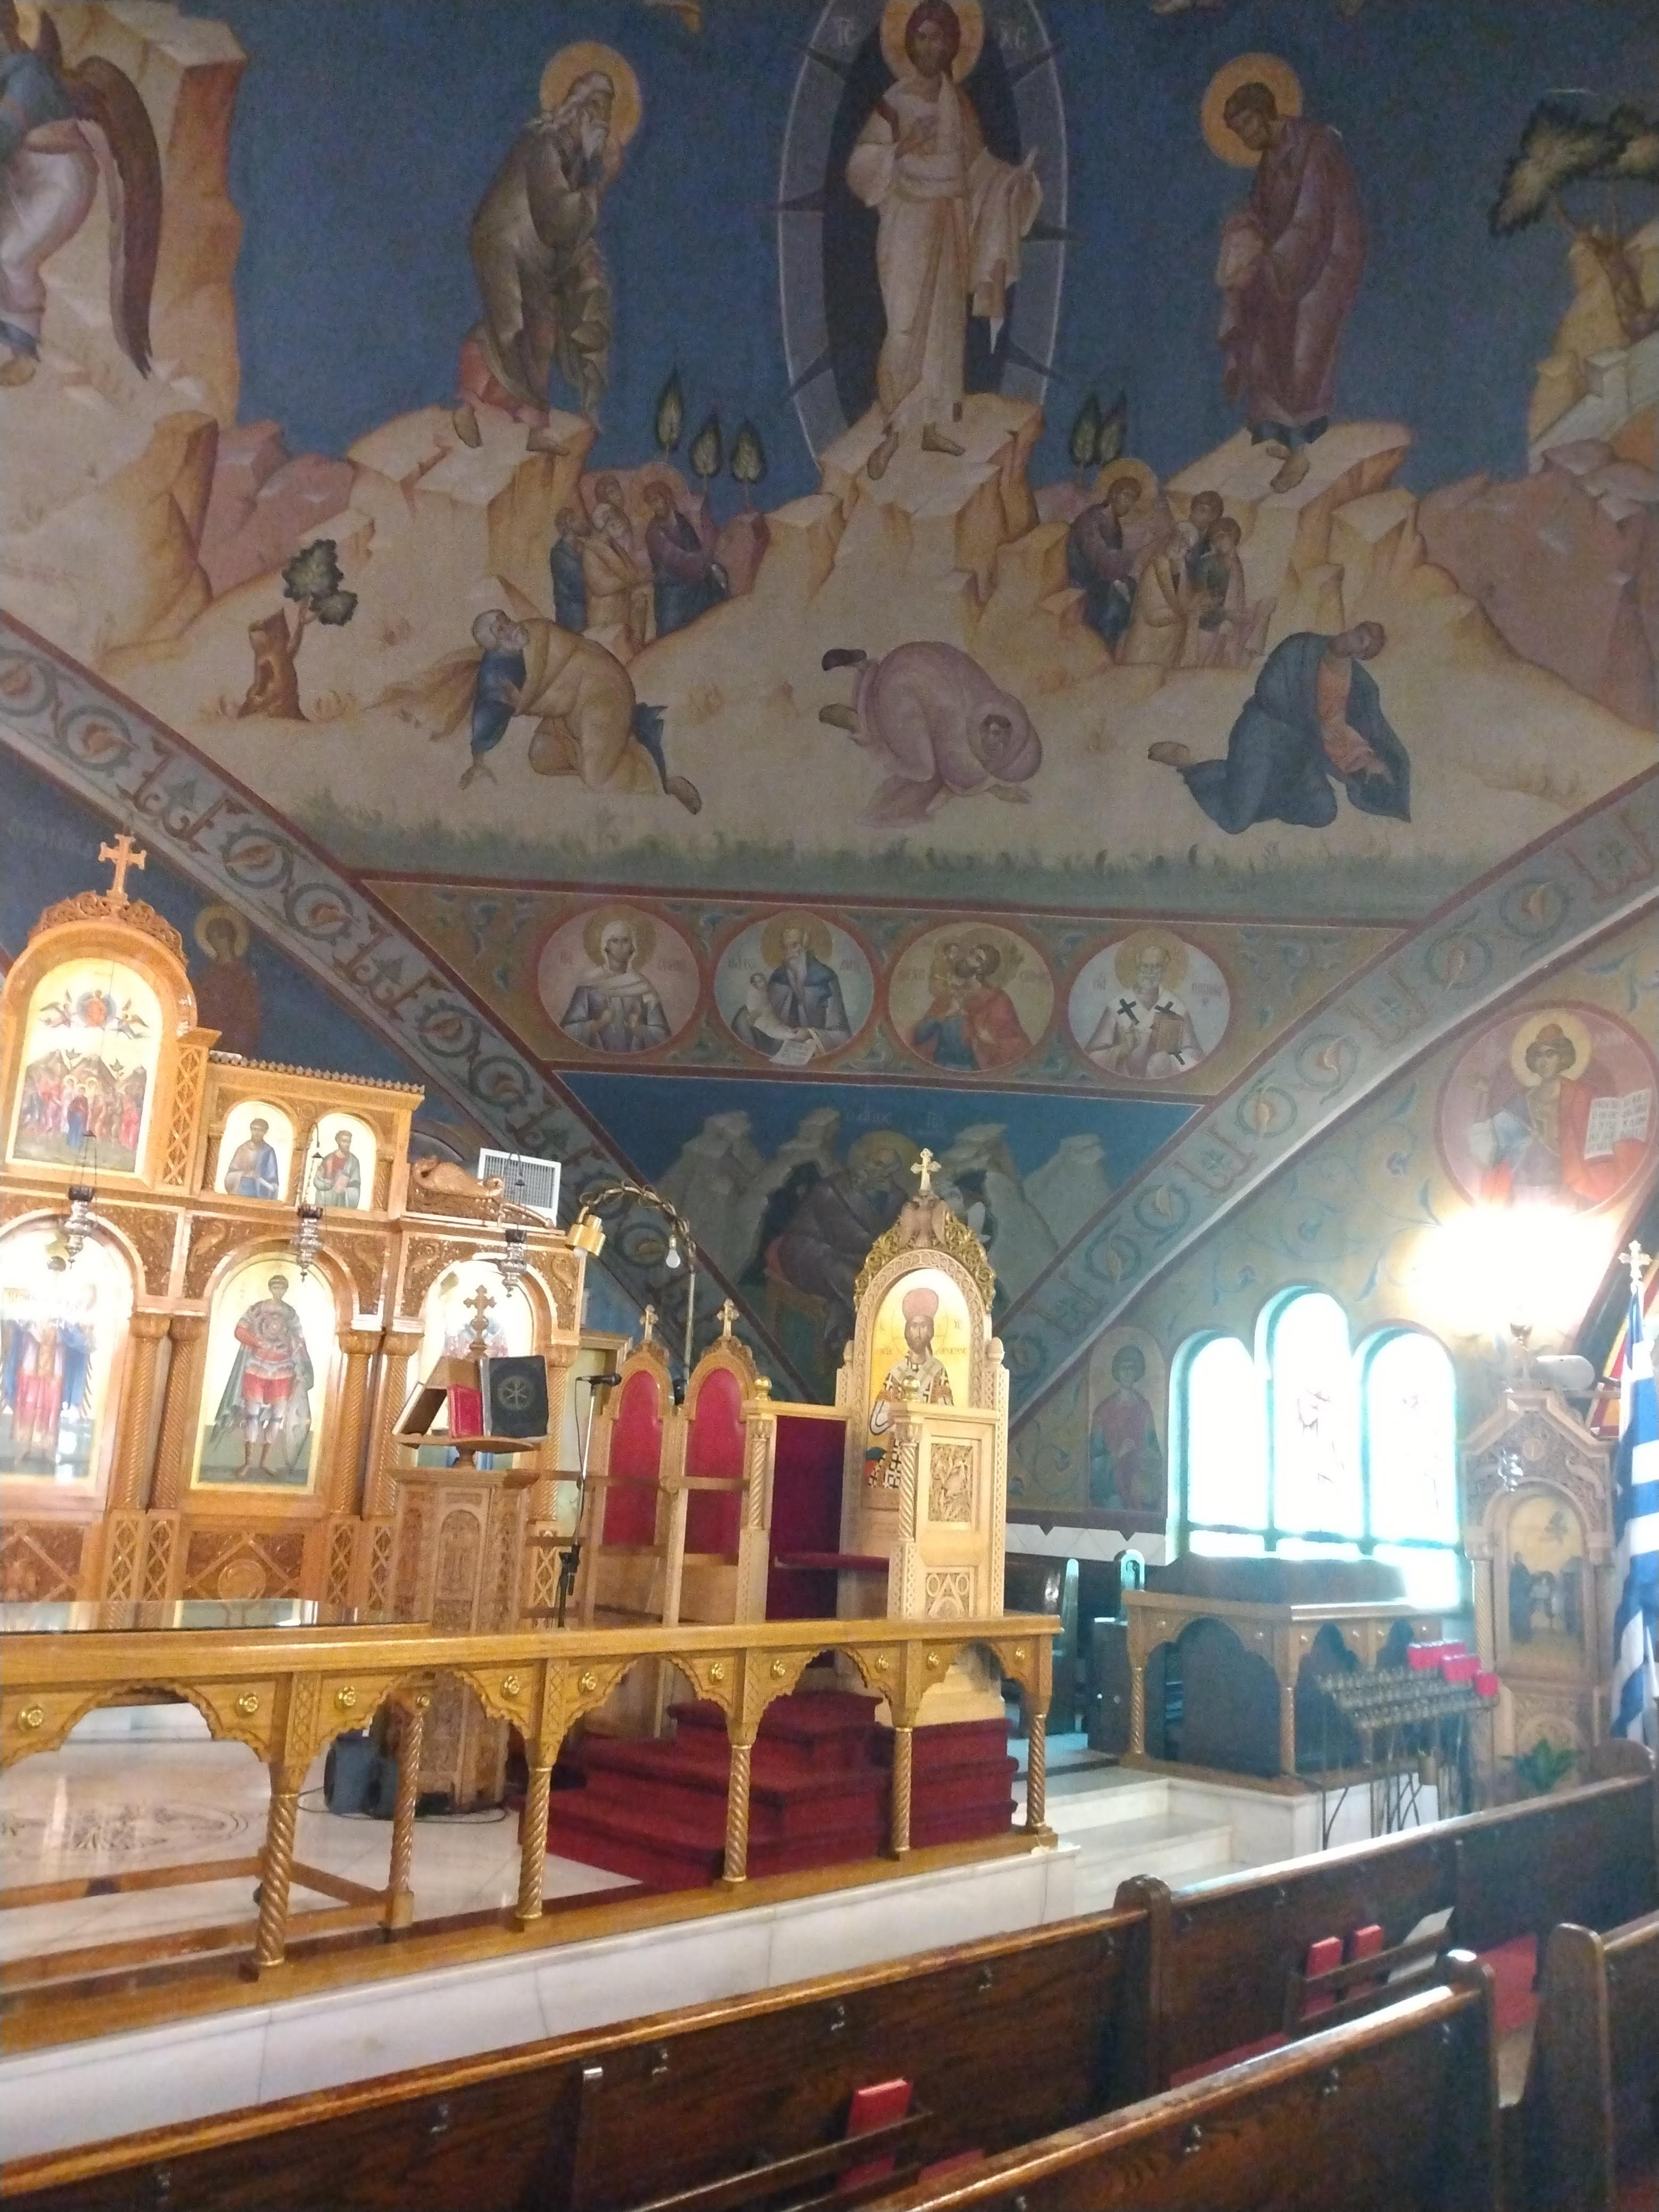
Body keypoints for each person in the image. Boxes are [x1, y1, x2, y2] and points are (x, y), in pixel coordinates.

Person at [845, 0, 1041, 477]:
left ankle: (932, 425)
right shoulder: (895, 102)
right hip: (907, 224)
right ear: (909, 44)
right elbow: (860, 167)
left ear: (954, 45)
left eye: (939, 37)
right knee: (905, 325)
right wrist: (899, 150)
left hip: (950, 222)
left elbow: (977, 167)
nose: (931, 46)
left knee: (944, 327)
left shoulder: (960, 102)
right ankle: (895, 431)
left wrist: (1011, 184)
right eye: (923, 37)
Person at [1215, 80, 1365, 493]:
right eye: (1237, 132)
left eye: (1247, 125)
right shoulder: (1268, 161)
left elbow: (1311, 220)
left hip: (1324, 267)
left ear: (1266, 113)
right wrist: (1243, 233)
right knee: (1265, 339)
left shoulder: (1315, 146)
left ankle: (1302, 452)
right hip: (1285, 266)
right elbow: (1261, 213)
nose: (1245, 139)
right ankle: (1285, 437)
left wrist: (1269, 263)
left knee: (1304, 352)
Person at [0, 0, 160, 386]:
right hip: (22, 173)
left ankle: (24, 352)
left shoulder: (30, 76)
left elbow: (4, 132)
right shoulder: (9, 70)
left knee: (13, 256)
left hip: (60, 182)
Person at [462, 68, 619, 424]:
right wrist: (605, 180)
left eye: (607, 116)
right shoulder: (544, 144)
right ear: (577, 108)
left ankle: (526, 416)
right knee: (515, 328)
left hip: (532, 251)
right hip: (504, 243)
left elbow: (562, 229)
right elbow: (559, 218)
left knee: (543, 323)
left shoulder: (571, 157)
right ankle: (496, 414)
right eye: (596, 110)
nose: (603, 124)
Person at [1149, 622, 1409, 833]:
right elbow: (1269, 694)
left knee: (1323, 811)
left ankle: (1246, 783)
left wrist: (1376, 763)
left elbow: (1376, 730)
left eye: (1360, 641)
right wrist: (1314, 729)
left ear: (1360, 655)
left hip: (1300, 753)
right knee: (1235, 821)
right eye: (1357, 632)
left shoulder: (1360, 685)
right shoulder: (1301, 647)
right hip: (1264, 733)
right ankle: (1189, 765)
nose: (1351, 637)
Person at [818, 640, 1041, 825]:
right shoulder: (962, 741)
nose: (995, 730)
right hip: (898, 690)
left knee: (916, 719)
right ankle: (861, 725)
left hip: (904, 660)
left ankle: (864, 666)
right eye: (1004, 729)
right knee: (923, 771)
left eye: (1000, 742)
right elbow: (955, 780)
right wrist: (994, 789)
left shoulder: (983, 687)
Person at [1468, 1020, 1652, 1209]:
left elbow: (1602, 1139)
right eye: (1538, 1055)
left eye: (1551, 1054)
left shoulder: (1582, 1096)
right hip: (1527, 1192)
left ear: (1562, 1057)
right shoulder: (1521, 1103)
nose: (1544, 1061)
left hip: (1575, 1190)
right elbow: (1490, 1143)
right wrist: (1483, 1097)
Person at [211, 1273, 315, 1479]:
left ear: (286, 1290)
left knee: (277, 1417)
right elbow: (240, 1331)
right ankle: (248, 1462)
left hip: (283, 1370)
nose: (279, 1291)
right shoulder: (257, 1309)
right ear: (270, 1288)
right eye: (276, 1287)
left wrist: (295, 1354)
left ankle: (265, 1462)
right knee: (252, 1415)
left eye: (282, 1287)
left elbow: (299, 1340)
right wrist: (258, 1342)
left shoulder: (291, 1314)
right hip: (256, 1368)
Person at [1085, 940, 1202, 1080]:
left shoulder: (1177, 1007)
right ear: (1138, 965)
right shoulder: (1117, 1006)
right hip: (1123, 1082)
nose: (1150, 972)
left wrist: (1166, 1060)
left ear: (1165, 969)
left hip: (1162, 1083)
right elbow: (1091, 1057)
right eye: (1145, 966)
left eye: (1156, 967)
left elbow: (1195, 1057)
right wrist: (1122, 1050)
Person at [735, 922, 852, 1059]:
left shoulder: (825, 979)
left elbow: (842, 1034)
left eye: (794, 945)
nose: (789, 952)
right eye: (785, 947)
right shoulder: (778, 978)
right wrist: (753, 1016)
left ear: (805, 946)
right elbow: (766, 1011)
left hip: (813, 1047)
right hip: (780, 1042)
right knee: (742, 1017)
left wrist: (810, 1033)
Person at [911, 940, 1032, 1070]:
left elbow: (1018, 1045)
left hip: (973, 1070)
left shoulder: (997, 999)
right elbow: (919, 1037)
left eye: (977, 959)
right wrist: (947, 1014)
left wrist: (991, 1041)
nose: (968, 958)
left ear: (982, 969)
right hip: (940, 1069)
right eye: (971, 953)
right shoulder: (949, 995)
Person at [559, 916, 671, 1052]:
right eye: (615, 941)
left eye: (625, 941)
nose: (620, 946)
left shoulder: (643, 986)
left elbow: (663, 1036)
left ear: (632, 947)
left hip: (635, 1059)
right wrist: (599, 1024)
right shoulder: (589, 985)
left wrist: (638, 1028)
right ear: (606, 946)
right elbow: (567, 1031)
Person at [869, 1282, 954, 1446]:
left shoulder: (937, 1371)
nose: (919, 1333)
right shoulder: (896, 1372)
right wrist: (895, 1416)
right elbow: (875, 1424)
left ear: (931, 1331)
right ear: (907, 1331)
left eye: (924, 1326)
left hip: (927, 1451)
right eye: (914, 1326)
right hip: (897, 1452)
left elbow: (947, 1420)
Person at [1066, 476, 1143, 655]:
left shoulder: (1115, 525)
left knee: (1133, 588)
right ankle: (1101, 649)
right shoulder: (1091, 520)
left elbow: (1112, 561)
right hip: (1083, 579)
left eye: (1133, 500)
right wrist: (1126, 562)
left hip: (1102, 577)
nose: (1130, 504)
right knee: (1114, 599)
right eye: (1127, 496)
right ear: (1114, 494)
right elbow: (1097, 556)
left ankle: (1115, 646)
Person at [643, 482, 728, 638]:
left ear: (667, 498)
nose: (655, 506)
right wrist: (704, 563)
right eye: (651, 503)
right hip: (673, 587)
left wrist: (706, 564)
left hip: (693, 579)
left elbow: (694, 547)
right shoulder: (654, 533)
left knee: (718, 586)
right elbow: (677, 559)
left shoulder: (680, 520)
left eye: (656, 500)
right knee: (671, 634)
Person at [1088, 1344, 1165, 1514]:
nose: (1128, 1373)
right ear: (1117, 1371)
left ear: (1138, 1372)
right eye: (1124, 1368)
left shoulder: (1144, 1408)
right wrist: (1117, 1455)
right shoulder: (1104, 1411)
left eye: (1132, 1368)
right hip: (1113, 1483)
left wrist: (1147, 1460)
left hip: (1140, 1482)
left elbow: (1153, 1448)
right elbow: (1093, 1460)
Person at [458, 609, 528, 790]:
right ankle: (478, 766)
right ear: (494, 640)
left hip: (507, 698)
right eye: (501, 629)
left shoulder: (512, 646)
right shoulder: (495, 664)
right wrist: (515, 698)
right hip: (493, 705)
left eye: (508, 621)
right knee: (488, 730)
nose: (510, 627)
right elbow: (496, 688)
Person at [581, 501, 650, 660]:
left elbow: (632, 573)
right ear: (604, 524)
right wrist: (633, 580)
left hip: (622, 612)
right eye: (613, 519)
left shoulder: (615, 546)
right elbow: (600, 586)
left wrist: (640, 577)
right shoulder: (591, 551)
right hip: (605, 617)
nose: (620, 521)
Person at [192, 907, 262, 1058]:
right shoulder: (205, 977)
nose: (220, 937)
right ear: (210, 941)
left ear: (232, 935)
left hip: (237, 1040)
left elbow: (250, 1012)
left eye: (223, 932)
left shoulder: (244, 975)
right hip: (210, 1039)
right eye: (215, 934)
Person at [549, 507, 590, 632]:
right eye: (576, 520)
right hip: (572, 613)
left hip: (585, 607)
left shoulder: (581, 546)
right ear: (568, 525)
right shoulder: (560, 553)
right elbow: (578, 583)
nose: (582, 522)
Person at [223, 1117, 281, 1200]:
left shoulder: (268, 1151)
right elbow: (231, 1173)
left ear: (265, 1132)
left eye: (261, 1130)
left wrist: (261, 1180)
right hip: (241, 1189)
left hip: (260, 1193)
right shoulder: (242, 1149)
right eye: (255, 1129)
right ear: (251, 1130)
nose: (257, 1133)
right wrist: (244, 1174)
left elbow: (273, 1179)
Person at [312, 1128, 363, 1210]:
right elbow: (318, 1182)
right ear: (338, 1142)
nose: (347, 1145)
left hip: (342, 1204)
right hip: (325, 1203)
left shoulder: (354, 1162)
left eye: (349, 1142)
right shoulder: (328, 1159)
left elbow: (356, 1186)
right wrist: (326, 1181)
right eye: (344, 1141)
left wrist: (344, 1191)